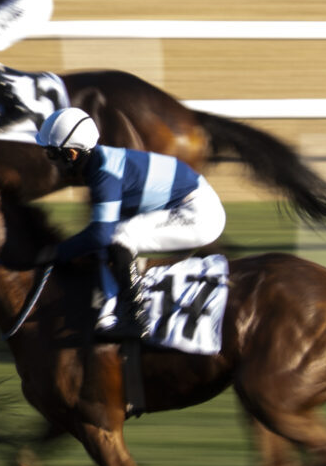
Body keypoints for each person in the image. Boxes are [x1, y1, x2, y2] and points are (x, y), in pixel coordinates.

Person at [34, 108, 227, 341]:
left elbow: (100, 236)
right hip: (187, 203)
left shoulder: (104, 174)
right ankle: (108, 317)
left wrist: (57, 252)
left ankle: (135, 319)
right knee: (115, 235)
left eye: (52, 155)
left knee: (119, 236)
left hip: (200, 214)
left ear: (72, 154)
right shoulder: (101, 163)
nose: (52, 163)